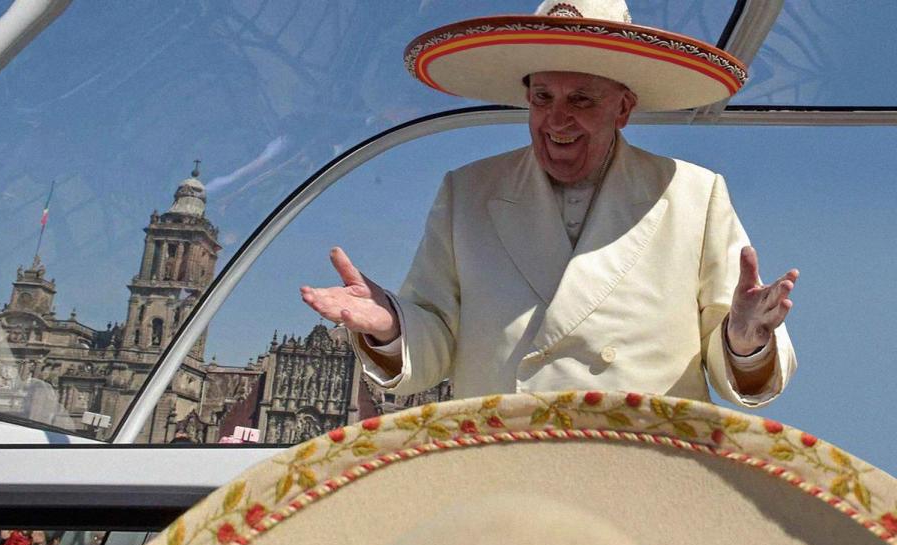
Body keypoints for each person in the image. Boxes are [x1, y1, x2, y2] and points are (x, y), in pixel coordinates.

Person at [300, 0, 798, 408]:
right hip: (509, 473)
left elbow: (737, 356)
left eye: (580, 100)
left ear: (623, 108)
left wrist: (744, 338)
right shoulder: (467, 192)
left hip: (646, 470)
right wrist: (390, 325)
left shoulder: (695, 193)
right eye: (542, 98)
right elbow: (433, 344)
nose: (556, 120)